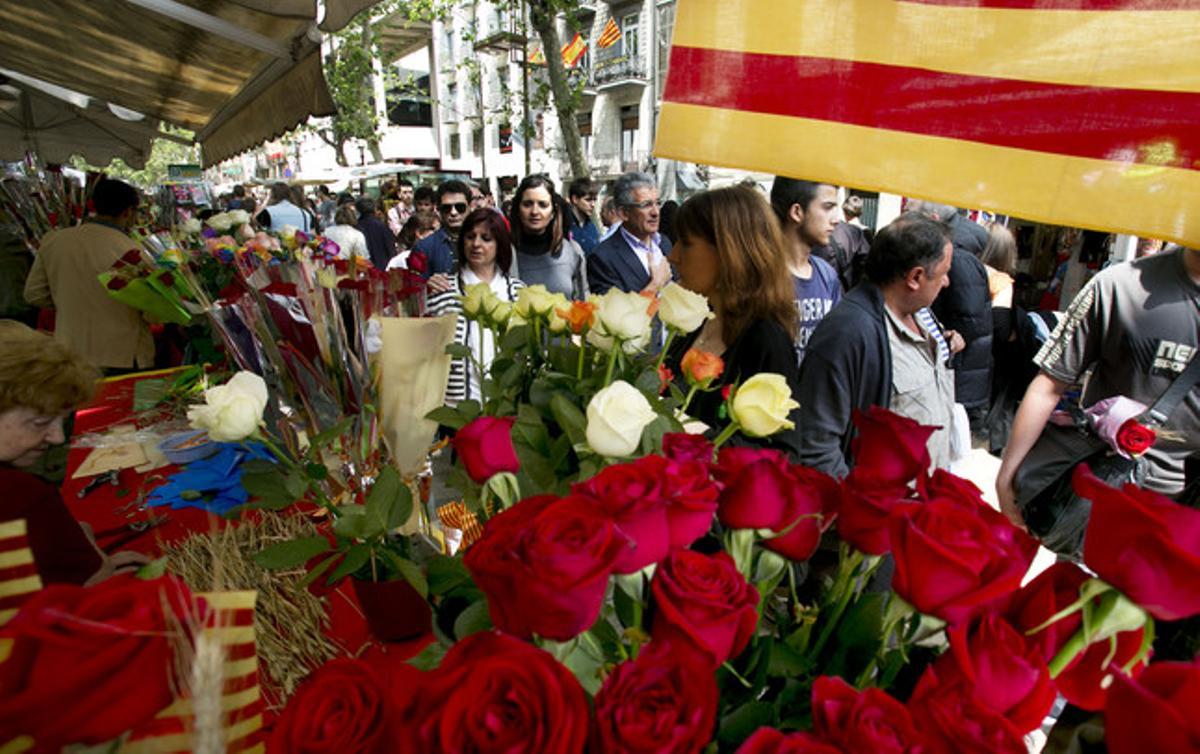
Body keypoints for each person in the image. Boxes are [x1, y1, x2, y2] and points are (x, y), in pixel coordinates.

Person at [996, 244, 1200, 527]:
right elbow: (1049, 385)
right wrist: (1008, 475)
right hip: (1096, 500)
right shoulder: (1119, 285)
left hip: (1184, 517)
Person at [797, 213, 956, 477]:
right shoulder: (848, 332)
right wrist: (861, 511)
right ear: (915, 277)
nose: (947, 281)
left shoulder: (920, 315)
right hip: (883, 514)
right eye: (944, 272)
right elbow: (816, 447)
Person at [0, 322, 146, 584]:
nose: (58, 438)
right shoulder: (18, 493)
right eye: (40, 422)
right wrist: (96, 566)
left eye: (61, 421)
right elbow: (87, 588)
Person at [665, 185, 801, 456]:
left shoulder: (765, 339)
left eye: (686, 243)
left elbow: (781, 453)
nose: (673, 255)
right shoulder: (695, 323)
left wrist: (689, 435)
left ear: (729, 251)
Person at [24, 178, 155, 373]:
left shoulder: (55, 241)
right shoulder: (133, 250)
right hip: (122, 352)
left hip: (71, 350)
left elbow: (33, 294)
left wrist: (69, 302)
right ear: (128, 212)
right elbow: (150, 310)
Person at [426, 209, 525, 406]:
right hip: (456, 408)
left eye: (486, 238)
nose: (476, 244)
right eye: (470, 237)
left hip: (508, 406)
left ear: (500, 245)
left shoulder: (519, 292)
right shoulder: (443, 290)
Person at [922, 202, 994, 431]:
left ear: (933, 218)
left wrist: (949, 338)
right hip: (961, 370)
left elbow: (970, 318)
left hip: (961, 374)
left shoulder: (958, 257)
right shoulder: (957, 250)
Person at [770, 177, 841, 366]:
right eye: (827, 207)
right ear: (797, 212)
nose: (836, 219)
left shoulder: (827, 275)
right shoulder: (764, 275)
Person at [587, 172, 673, 297]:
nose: (655, 212)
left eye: (657, 203)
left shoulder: (664, 243)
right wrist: (655, 285)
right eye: (646, 205)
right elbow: (615, 315)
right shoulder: (602, 258)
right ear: (623, 213)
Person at [507, 175, 588, 300]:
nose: (535, 211)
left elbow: (583, 303)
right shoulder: (504, 252)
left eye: (543, 205)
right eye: (528, 204)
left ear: (553, 212)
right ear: (518, 209)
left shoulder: (572, 251)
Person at [415, 179, 472, 280]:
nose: (453, 212)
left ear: (470, 207)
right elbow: (415, 287)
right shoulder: (424, 247)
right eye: (447, 208)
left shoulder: (485, 242)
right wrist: (427, 285)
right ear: (439, 210)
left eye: (460, 207)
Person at [355, 196, 397, 270]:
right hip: (384, 267)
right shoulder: (382, 226)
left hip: (364, 267)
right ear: (374, 208)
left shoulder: (356, 227)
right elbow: (391, 248)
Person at [565, 177, 601, 254]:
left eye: (595, 200)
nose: (593, 204)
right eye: (588, 200)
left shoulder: (592, 227)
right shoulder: (563, 225)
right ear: (575, 199)